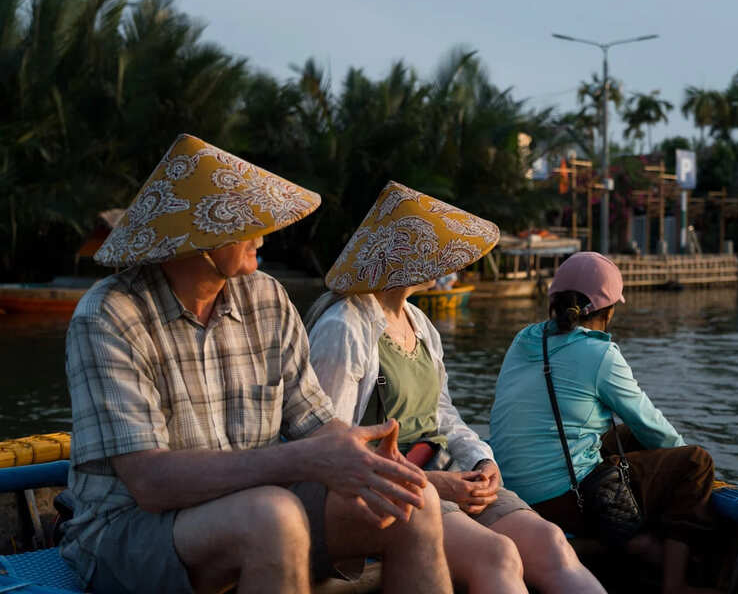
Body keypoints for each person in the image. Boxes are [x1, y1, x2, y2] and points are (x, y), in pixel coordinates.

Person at [62, 135, 451, 594]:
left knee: (412, 500)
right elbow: (150, 483)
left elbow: (314, 421)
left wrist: (359, 457)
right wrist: (303, 459)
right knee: (272, 516)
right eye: (248, 223)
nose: (263, 235)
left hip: (254, 506)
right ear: (204, 239)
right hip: (128, 530)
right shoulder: (109, 315)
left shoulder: (266, 297)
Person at [307, 182, 606, 594]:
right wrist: (431, 485)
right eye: (434, 252)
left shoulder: (420, 323)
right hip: (390, 490)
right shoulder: (345, 327)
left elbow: (442, 414)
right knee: (497, 555)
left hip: (445, 470)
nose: (444, 263)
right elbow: (331, 450)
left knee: (550, 542)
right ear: (406, 258)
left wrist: (483, 461)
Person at [490, 252, 718, 594]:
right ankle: (676, 583)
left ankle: (629, 543)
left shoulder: (524, 338)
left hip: (512, 493)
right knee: (696, 462)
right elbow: (653, 426)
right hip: (563, 500)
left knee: (626, 437)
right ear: (608, 311)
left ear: (554, 300)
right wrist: (686, 468)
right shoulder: (600, 354)